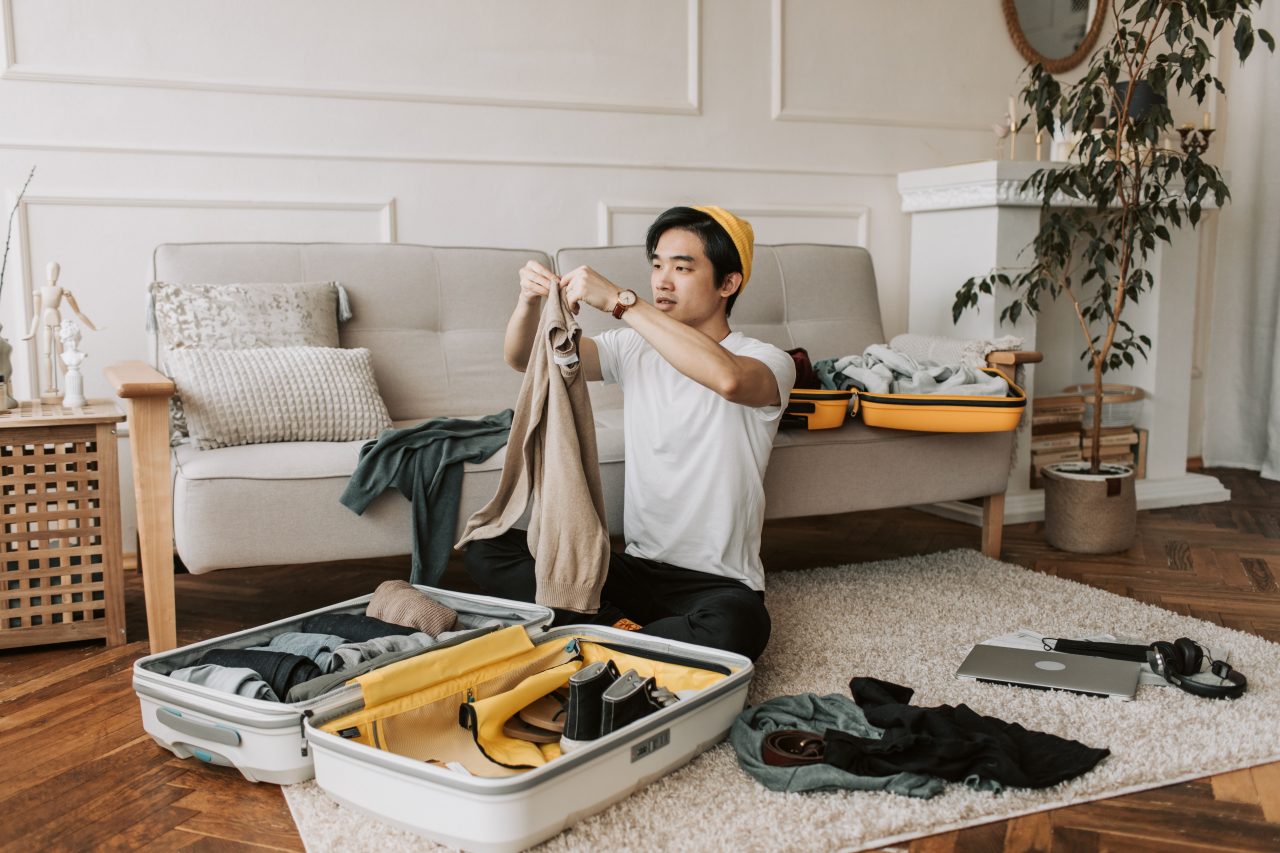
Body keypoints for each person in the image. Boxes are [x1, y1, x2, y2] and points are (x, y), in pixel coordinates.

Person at [464, 206, 795, 661]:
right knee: (487, 545)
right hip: (631, 569)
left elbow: (729, 380)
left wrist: (623, 302)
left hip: (717, 584)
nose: (662, 280)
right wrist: (528, 303)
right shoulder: (632, 348)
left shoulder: (766, 359)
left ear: (728, 283)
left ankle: (596, 631)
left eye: (682, 267)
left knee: (741, 626)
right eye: (657, 264)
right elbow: (525, 359)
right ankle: (628, 635)